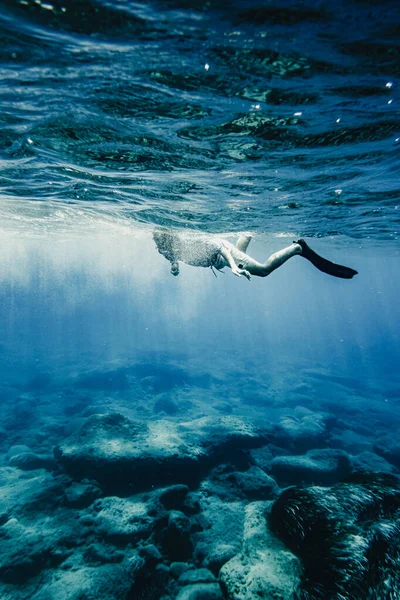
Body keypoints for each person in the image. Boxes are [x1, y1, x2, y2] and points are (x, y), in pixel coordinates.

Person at [153, 229, 358, 280]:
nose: (157, 245)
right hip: (216, 261)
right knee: (241, 254)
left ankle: (297, 249)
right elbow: (171, 256)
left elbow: (219, 246)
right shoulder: (164, 248)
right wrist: (174, 265)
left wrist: (233, 265)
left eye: (160, 241)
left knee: (263, 271)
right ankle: (247, 231)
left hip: (222, 255)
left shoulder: (189, 241)